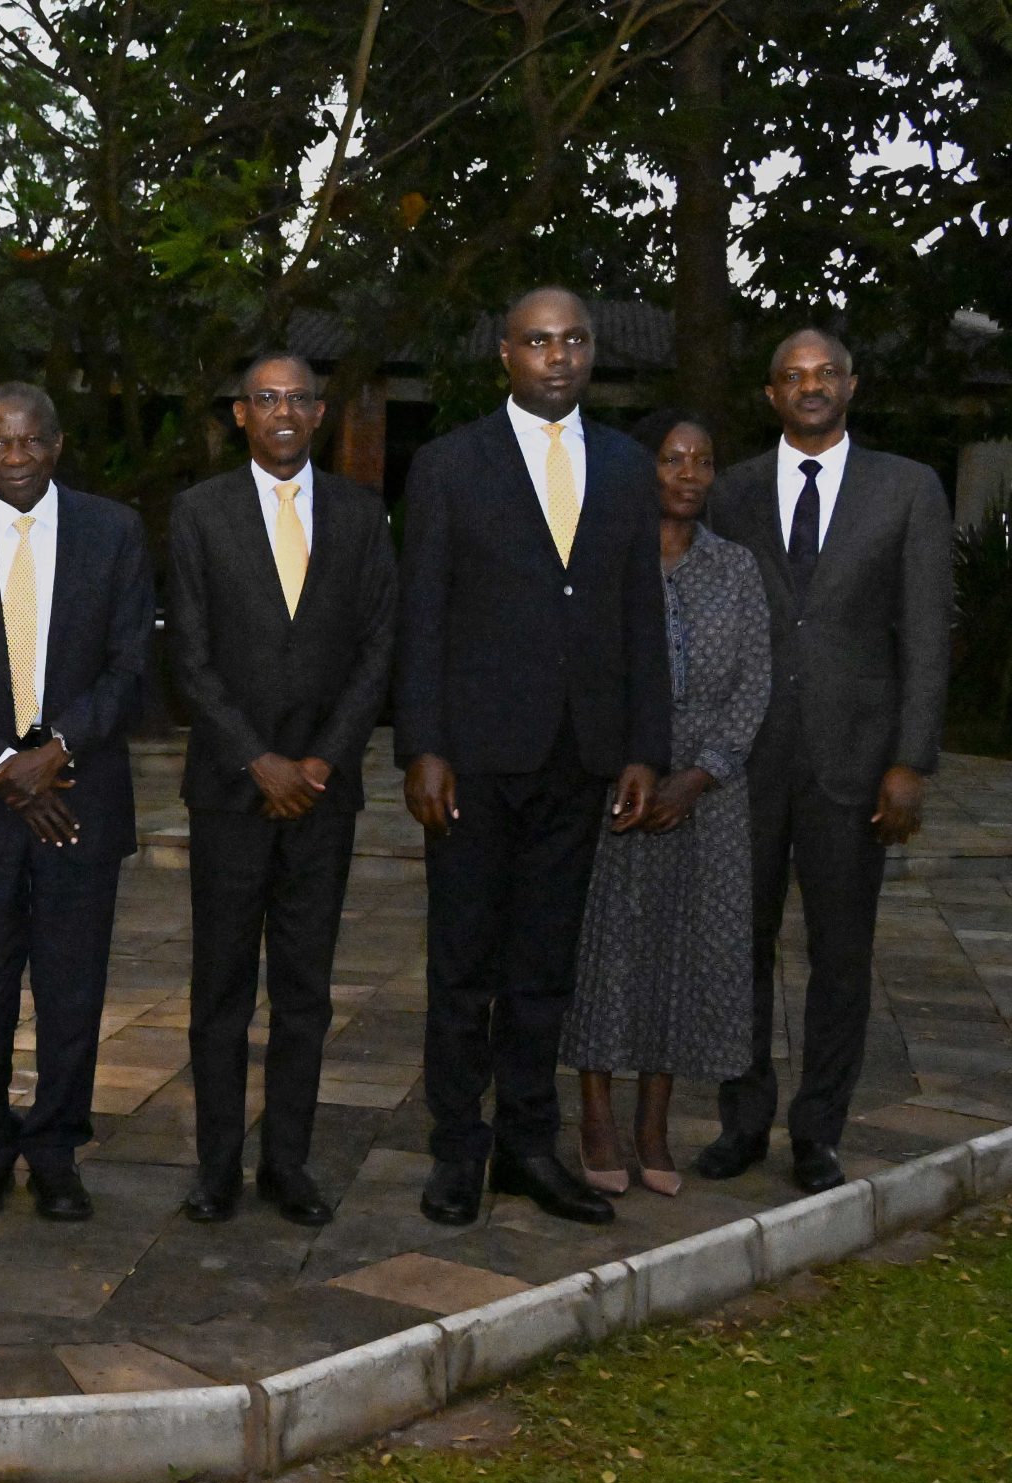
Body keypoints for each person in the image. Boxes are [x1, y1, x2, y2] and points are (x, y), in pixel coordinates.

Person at [395, 287, 672, 1229]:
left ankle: (526, 1146)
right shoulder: (446, 465)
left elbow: (642, 614)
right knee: (463, 965)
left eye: (575, 341)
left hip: (581, 752)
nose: (559, 356)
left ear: (594, 354)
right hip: (472, 757)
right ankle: (456, 1150)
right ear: (505, 354)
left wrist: (644, 747)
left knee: (544, 967)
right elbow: (421, 612)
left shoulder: (631, 467)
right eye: (539, 341)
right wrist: (422, 744)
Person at [694, 331, 952, 1193]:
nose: (811, 387)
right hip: (746, 760)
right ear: (770, 394)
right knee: (740, 946)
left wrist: (912, 759)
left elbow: (925, 632)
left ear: (851, 384)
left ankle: (818, 1131)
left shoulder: (907, 489)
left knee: (840, 955)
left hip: (855, 763)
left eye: (826, 374)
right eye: (794, 377)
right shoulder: (728, 494)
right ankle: (742, 1119)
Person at [0, 382, 152, 1224]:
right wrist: (7, 769)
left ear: (57, 445)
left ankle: (54, 1153)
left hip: (80, 798)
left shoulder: (114, 533)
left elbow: (129, 666)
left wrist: (56, 754)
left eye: (30, 442)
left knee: (73, 993)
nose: (16, 458)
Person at [168, 354, 396, 1226]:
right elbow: (187, 651)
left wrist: (321, 763)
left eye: (300, 398)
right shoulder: (200, 514)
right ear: (240, 414)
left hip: (322, 795)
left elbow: (379, 645)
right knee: (220, 988)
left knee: (305, 990)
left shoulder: (361, 512)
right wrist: (256, 760)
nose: (285, 412)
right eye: (267, 398)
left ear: (323, 412)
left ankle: (288, 1164)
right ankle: (217, 1165)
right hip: (231, 793)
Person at [560, 413, 772, 1196]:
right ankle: (595, 1116)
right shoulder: (605, 560)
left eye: (704, 460)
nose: (688, 473)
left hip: (710, 797)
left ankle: (654, 1123)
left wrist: (699, 777)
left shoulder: (737, 568)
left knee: (683, 959)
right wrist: (631, 766)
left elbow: (755, 683)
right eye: (673, 459)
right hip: (612, 785)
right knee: (603, 952)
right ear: (642, 469)